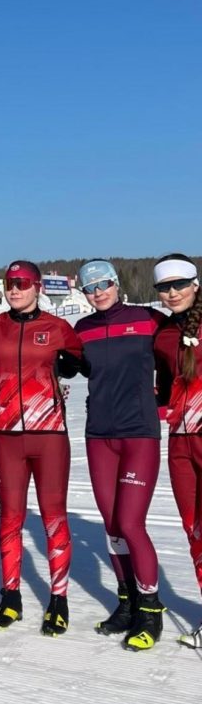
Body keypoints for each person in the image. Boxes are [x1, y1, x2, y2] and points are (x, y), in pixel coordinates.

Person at [0, 260, 83, 635]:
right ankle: (11, 597)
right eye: (10, 283)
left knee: (54, 517)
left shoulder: (58, 327)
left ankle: (58, 600)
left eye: (22, 283)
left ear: (38, 287)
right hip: (8, 436)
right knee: (10, 517)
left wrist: (66, 370)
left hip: (50, 435)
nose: (14, 289)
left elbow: (81, 361)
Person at [73, 260, 166, 651]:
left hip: (139, 433)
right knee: (112, 525)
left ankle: (151, 609)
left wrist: (168, 397)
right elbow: (74, 365)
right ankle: (127, 603)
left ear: (116, 283)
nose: (98, 292)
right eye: (90, 287)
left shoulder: (148, 319)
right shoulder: (82, 329)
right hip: (99, 435)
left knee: (130, 522)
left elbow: (178, 354)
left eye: (104, 284)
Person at [152, 253, 202, 649]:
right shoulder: (164, 334)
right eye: (164, 287)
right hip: (180, 443)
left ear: (195, 284)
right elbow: (164, 385)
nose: (172, 293)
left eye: (179, 284)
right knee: (194, 529)